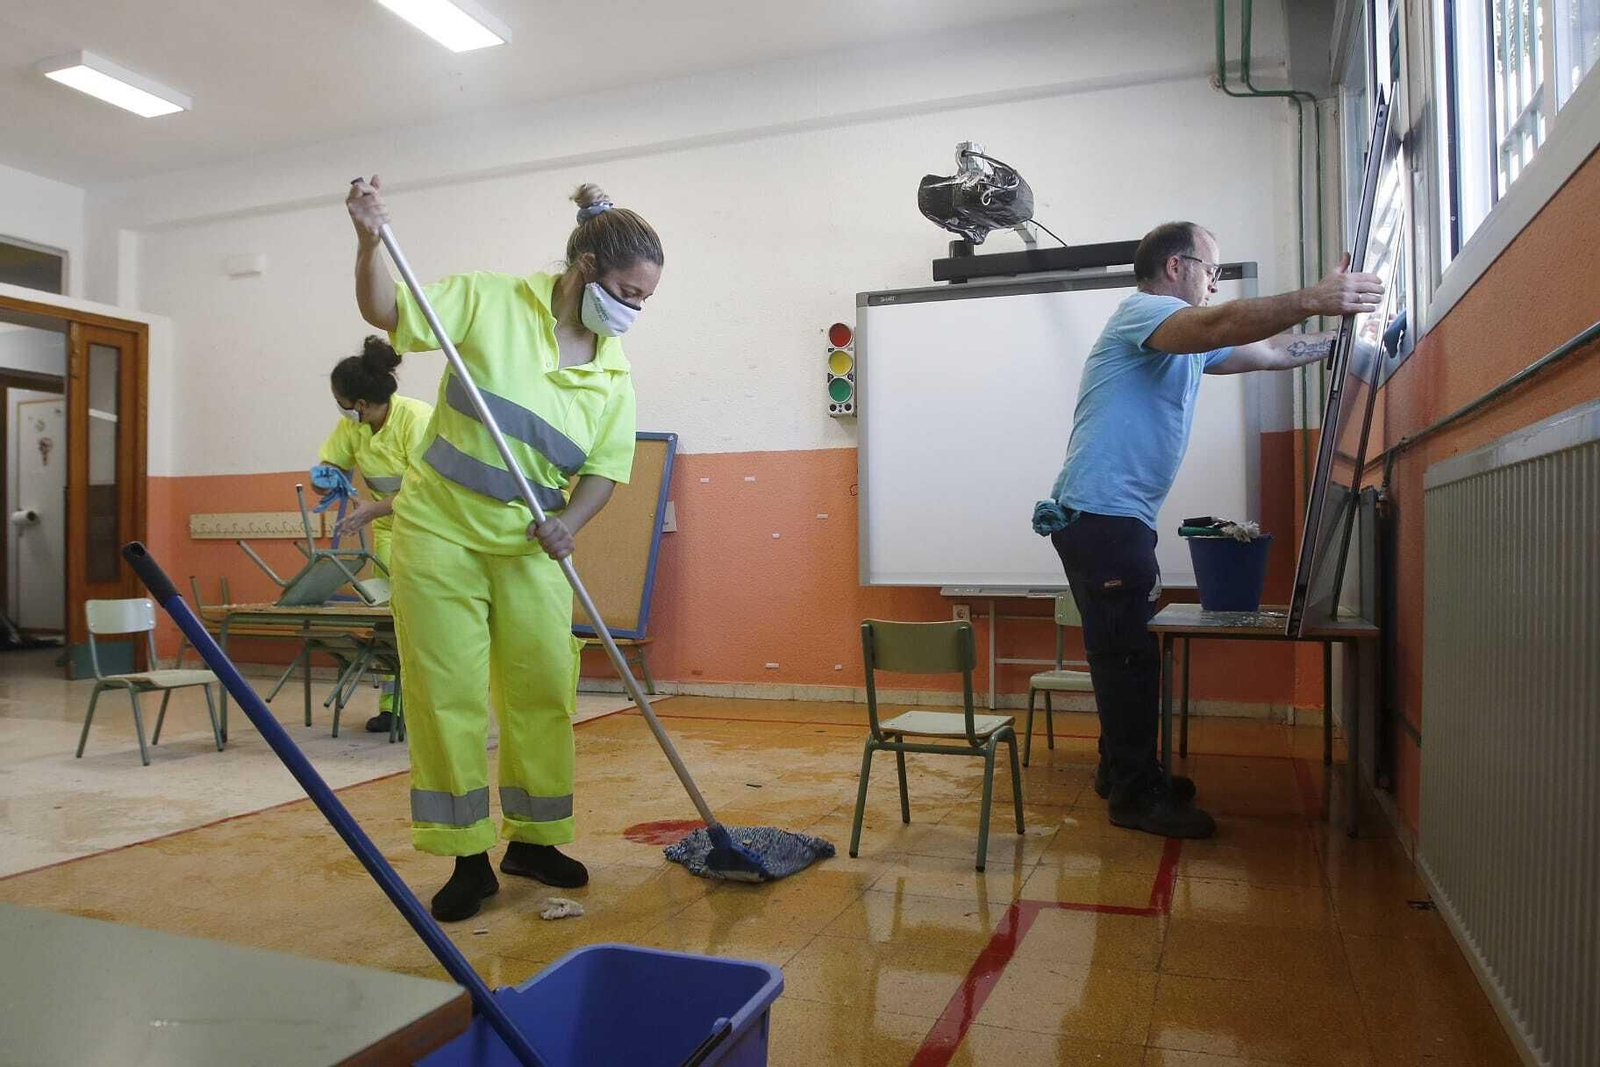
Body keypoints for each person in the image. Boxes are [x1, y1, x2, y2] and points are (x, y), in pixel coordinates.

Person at [345, 175, 661, 921]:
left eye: (644, 297)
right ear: (584, 269)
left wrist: (569, 525)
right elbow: (387, 310)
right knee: (445, 692)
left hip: (529, 548)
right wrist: (368, 242)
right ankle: (466, 857)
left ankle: (537, 838)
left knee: (543, 688)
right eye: (626, 290)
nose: (633, 308)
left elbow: (605, 471)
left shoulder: (612, 370)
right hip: (439, 532)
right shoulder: (490, 299)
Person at [1039, 221, 1383, 839]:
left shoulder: (1186, 340)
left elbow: (1272, 352)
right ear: (1176, 267)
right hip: (1103, 514)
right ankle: (1135, 796)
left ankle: (1121, 772)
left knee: (1124, 654)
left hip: (1115, 517)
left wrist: (1339, 342)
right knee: (1129, 657)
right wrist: (1314, 295)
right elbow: (1222, 325)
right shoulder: (1142, 313)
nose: (1215, 285)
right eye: (1211, 271)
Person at [318, 335, 434, 733]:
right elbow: (331, 462)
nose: (341, 408)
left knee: (425, 618)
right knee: (389, 617)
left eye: (341, 400)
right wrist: (326, 478)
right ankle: (393, 705)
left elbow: (425, 490)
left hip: (433, 530)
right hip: (389, 528)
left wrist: (369, 509)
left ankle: (430, 706)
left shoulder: (415, 420)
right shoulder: (353, 428)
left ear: (362, 403)